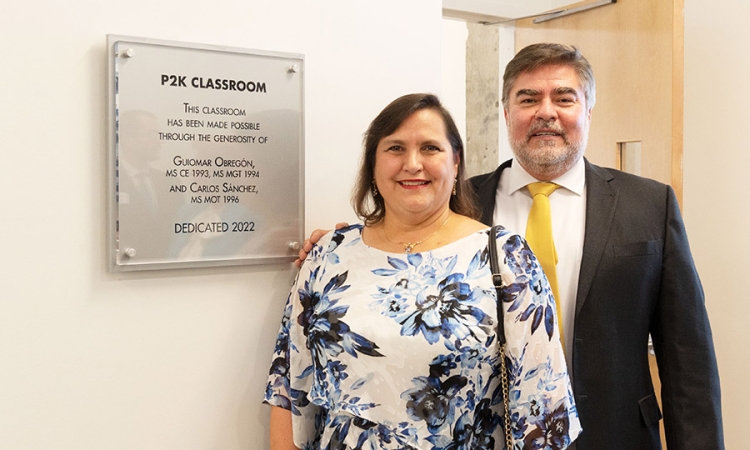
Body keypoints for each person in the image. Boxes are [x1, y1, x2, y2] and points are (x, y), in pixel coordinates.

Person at [295, 44, 724, 450]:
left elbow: (688, 358)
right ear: (505, 112)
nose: (546, 112)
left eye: (564, 97)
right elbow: (399, 259)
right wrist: (342, 251)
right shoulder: (459, 206)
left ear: (588, 109)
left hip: (616, 434)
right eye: (528, 99)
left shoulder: (648, 204)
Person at [264, 93, 581, 449]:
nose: (412, 164)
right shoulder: (328, 255)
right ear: (373, 164)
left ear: (456, 162)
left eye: (430, 148)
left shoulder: (506, 258)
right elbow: (288, 391)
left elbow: (544, 414)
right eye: (395, 148)